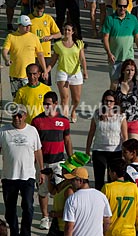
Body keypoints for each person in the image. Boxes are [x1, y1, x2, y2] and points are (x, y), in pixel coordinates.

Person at [0, 104, 44, 236]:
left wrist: (41, 170)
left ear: (25, 116)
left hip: (28, 176)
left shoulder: (32, 131)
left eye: (20, 115)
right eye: (14, 115)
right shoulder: (3, 131)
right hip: (9, 177)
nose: (17, 118)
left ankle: (25, 233)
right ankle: (14, 232)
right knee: (10, 210)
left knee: (28, 207)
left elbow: (38, 151)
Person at [32, 91, 73, 231]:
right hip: (42, 163)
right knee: (42, 190)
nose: (46, 106)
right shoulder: (37, 121)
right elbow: (34, 144)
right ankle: (44, 217)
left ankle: (58, 216)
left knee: (60, 190)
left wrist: (71, 160)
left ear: (56, 104)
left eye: (49, 104)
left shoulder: (64, 121)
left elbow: (67, 141)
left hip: (59, 162)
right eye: (44, 104)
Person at [85, 90, 127, 191]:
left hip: (115, 151)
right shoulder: (97, 114)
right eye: (106, 101)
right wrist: (87, 150)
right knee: (99, 180)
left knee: (112, 181)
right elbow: (91, 132)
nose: (108, 103)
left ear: (115, 102)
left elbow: (125, 136)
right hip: (99, 150)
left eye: (111, 101)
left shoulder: (121, 116)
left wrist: (125, 154)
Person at [46, 23, 88, 122]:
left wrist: (85, 71)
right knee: (65, 97)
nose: (66, 32)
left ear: (73, 32)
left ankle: (73, 111)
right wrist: (47, 70)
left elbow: (82, 58)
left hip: (75, 72)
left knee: (76, 99)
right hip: (62, 72)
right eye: (65, 30)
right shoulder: (58, 44)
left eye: (69, 30)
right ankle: (64, 119)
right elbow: (53, 60)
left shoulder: (79, 43)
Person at [2, 14, 46, 98]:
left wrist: (45, 70)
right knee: (16, 99)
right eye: (25, 26)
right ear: (19, 26)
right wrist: (6, 59)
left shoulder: (34, 37)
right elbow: (4, 50)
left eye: (29, 26)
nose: (28, 28)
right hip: (15, 75)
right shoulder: (11, 37)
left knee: (29, 98)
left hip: (30, 75)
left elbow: (40, 54)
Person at [102, 0, 138, 82]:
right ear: (116, 6)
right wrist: (109, 53)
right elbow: (105, 38)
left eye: (124, 6)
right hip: (114, 58)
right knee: (114, 84)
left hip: (128, 59)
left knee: (128, 83)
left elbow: (137, 37)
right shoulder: (109, 19)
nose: (122, 8)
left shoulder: (132, 19)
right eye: (120, 6)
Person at [63, 167, 111, 236]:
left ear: (80, 181)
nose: (71, 183)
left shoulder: (72, 199)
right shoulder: (101, 196)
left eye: (72, 180)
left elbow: (69, 227)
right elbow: (107, 221)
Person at [102, 159, 138, 236]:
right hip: (129, 232)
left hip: (111, 232)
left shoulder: (107, 188)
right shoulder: (133, 187)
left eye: (109, 171)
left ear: (114, 173)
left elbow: (101, 211)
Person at [113, 59, 138, 140]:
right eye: (128, 70)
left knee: (133, 148)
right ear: (123, 71)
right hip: (119, 121)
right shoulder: (115, 84)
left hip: (133, 121)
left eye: (132, 70)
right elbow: (111, 103)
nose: (130, 72)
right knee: (119, 148)